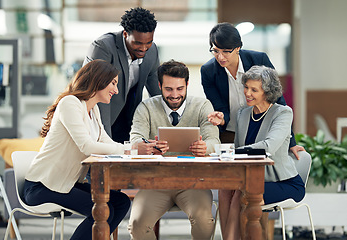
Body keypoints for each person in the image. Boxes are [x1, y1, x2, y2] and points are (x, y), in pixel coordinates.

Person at [23, 60, 131, 240]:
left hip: (67, 184)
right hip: (43, 186)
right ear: (99, 80)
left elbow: (106, 143)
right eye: (113, 83)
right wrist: (129, 150)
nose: (116, 90)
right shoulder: (70, 103)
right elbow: (86, 145)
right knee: (102, 211)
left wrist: (136, 149)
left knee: (121, 202)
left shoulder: (93, 110)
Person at [208, 65, 305, 240]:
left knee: (243, 193)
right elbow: (239, 152)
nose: (247, 93)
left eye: (254, 90)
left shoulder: (282, 112)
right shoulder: (243, 114)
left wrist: (233, 152)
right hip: (251, 179)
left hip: (283, 183)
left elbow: (268, 147)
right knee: (225, 189)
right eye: (246, 87)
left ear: (267, 92)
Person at [128, 60, 220, 240]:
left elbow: (213, 141)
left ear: (187, 85)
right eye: (169, 89)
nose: (175, 95)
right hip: (155, 183)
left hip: (194, 183)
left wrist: (205, 148)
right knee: (137, 225)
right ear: (160, 85)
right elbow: (135, 139)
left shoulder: (202, 106)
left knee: (204, 221)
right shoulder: (146, 107)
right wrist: (149, 147)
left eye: (179, 89)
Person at [201, 22, 305, 159]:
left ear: (238, 47)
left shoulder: (258, 60)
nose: (220, 57)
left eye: (226, 51)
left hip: (263, 130)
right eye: (215, 51)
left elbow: (277, 99)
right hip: (231, 133)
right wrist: (221, 119)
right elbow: (221, 108)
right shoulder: (208, 71)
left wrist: (291, 142)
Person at [83, 7, 161, 143]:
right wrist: (104, 138)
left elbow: (158, 93)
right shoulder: (103, 47)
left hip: (128, 120)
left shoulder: (152, 51)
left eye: (148, 42)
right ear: (125, 34)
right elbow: (97, 94)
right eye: (138, 43)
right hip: (100, 117)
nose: (144, 48)